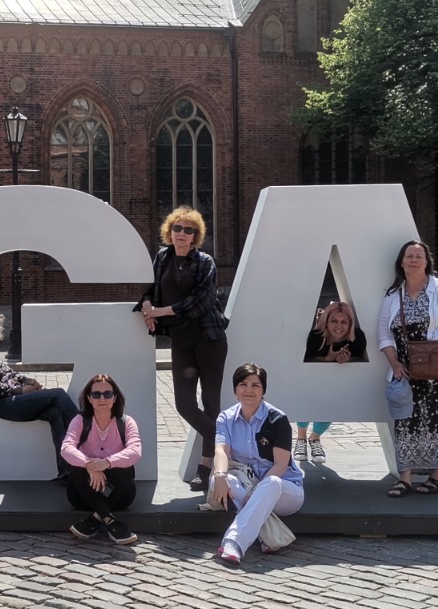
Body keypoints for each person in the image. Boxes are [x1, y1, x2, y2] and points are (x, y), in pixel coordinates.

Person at [138, 207, 229, 492]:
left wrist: (161, 311)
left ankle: (206, 467)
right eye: (177, 228)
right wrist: (146, 306)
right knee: (184, 404)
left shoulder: (204, 262)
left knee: (211, 404)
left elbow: (201, 301)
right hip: (181, 339)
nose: (182, 234)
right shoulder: (162, 258)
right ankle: (226, 442)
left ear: (195, 236)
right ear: (170, 231)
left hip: (209, 338)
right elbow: (149, 289)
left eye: (189, 230)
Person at [377, 241, 438, 498]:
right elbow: (384, 333)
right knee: (405, 422)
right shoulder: (393, 295)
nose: (413, 260)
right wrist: (394, 363)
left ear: (426, 262)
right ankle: (405, 478)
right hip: (407, 371)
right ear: (401, 262)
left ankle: (437, 476)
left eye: (418, 256)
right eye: (409, 256)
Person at [0, 303, 80, 479]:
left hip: (12, 400)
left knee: (55, 413)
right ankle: (86, 434)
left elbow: (10, 373)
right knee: (58, 394)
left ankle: (67, 472)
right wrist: (22, 390)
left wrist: (27, 380)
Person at [209, 363, 304, 566]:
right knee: (218, 480)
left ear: (263, 390)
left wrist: (257, 490)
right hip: (248, 484)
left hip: (285, 490)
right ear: (235, 389)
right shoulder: (225, 418)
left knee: (271, 484)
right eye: (243, 384)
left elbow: (281, 465)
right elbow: (221, 451)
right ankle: (265, 535)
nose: (249, 390)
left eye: (255, 385)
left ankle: (234, 542)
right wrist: (219, 475)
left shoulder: (277, 419)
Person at [60, 374, 142, 545]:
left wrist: (106, 463)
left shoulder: (126, 422)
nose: (102, 399)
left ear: (115, 398)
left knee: (125, 468)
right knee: (77, 469)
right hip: (83, 495)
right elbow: (66, 448)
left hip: (119, 495)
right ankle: (112, 522)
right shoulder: (80, 421)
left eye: (107, 394)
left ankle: (96, 519)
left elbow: (135, 451)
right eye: (96, 394)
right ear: (89, 399)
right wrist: (90, 466)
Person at [296, 300, 366, 463]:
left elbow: (360, 356)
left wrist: (348, 360)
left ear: (350, 324)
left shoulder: (357, 338)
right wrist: (327, 359)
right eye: (334, 320)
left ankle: (315, 438)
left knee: (330, 405)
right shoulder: (315, 337)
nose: (339, 326)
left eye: (344, 322)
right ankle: (301, 438)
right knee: (305, 401)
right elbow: (305, 358)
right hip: (310, 380)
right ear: (326, 322)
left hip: (336, 382)